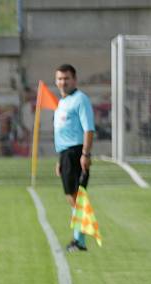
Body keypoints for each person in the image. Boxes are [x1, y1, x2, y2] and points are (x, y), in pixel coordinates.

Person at [53, 63, 95, 252]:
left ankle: (80, 241)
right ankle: (79, 239)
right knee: (72, 197)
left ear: (74, 80)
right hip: (65, 154)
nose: (63, 82)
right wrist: (59, 159)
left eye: (66, 78)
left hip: (75, 152)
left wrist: (85, 154)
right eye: (60, 79)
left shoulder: (80, 100)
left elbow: (88, 128)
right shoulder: (62, 102)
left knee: (76, 197)